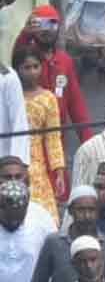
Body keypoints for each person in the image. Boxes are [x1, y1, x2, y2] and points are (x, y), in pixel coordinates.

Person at [20, 5, 93, 147]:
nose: (47, 30)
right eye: (42, 24)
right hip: (29, 142)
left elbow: (76, 103)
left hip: (57, 143)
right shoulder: (25, 57)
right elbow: (17, 54)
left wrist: (89, 143)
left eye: (52, 23)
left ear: (59, 27)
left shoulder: (65, 60)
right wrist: (25, 34)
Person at [13, 40, 65, 223]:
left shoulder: (48, 98)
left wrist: (58, 171)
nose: (32, 72)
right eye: (27, 67)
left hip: (37, 165)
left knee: (42, 218)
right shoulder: (9, 96)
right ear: (17, 70)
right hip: (9, 159)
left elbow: (53, 137)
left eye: (36, 66)